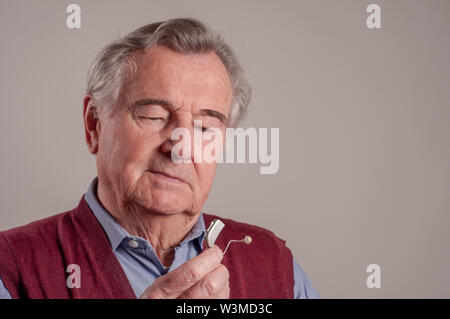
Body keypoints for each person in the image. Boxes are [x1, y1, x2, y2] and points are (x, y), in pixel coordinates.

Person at [0, 18, 320, 299]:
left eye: (205, 127)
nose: (180, 147)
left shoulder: (273, 265)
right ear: (94, 123)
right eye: (154, 116)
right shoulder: (12, 269)